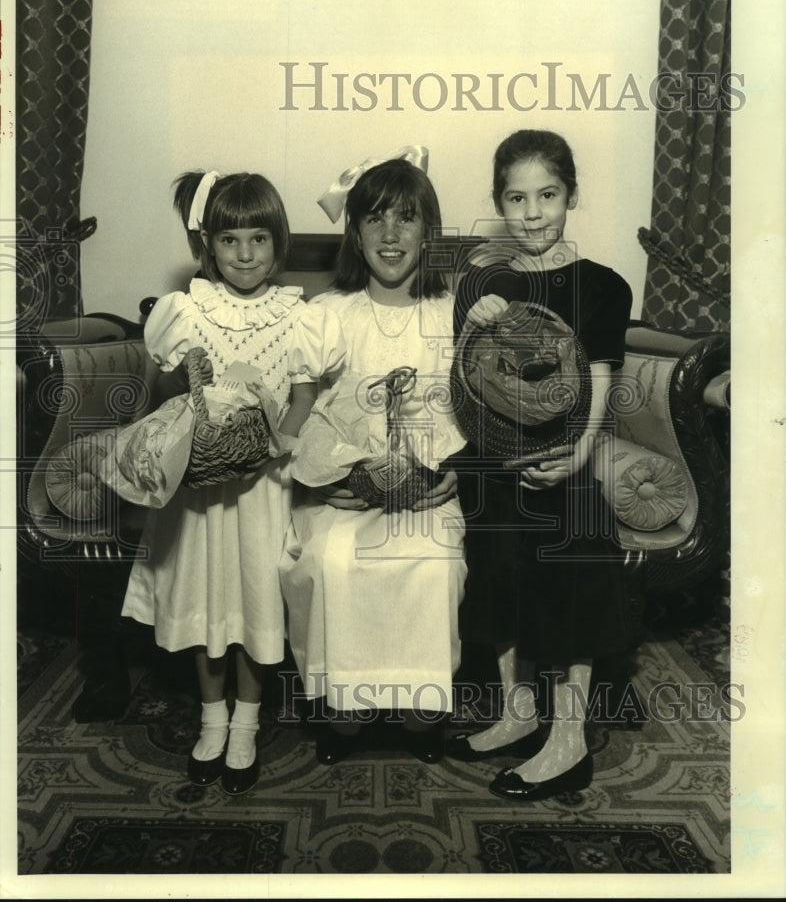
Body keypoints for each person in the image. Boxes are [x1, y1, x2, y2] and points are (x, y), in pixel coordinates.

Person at [121, 170, 344, 794]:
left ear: (278, 245)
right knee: (206, 599)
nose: (245, 255)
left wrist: (278, 444)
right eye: (229, 241)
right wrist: (194, 396)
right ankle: (211, 715)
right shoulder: (188, 310)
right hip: (202, 486)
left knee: (253, 598)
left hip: (264, 485)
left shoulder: (298, 316)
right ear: (208, 247)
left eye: (258, 240)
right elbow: (169, 395)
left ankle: (247, 719)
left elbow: (303, 397)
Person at [448, 130, 634, 801]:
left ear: (571, 196)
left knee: (571, 560)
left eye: (547, 195)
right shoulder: (484, 283)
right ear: (500, 203)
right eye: (516, 197)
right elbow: (468, 382)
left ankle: (569, 736)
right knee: (494, 574)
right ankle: (517, 710)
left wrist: (578, 456)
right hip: (496, 456)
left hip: (566, 459)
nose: (531, 213)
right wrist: (476, 319)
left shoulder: (604, 287)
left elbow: (602, 382)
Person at [278, 153, 467, 766]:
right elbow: (299, 411)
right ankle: (343, 705)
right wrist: (321, 476)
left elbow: (480, 409)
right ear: (355, 233)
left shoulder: (450, 315)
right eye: (375, 219)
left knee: (432, 561)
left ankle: (420, 705)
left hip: (427, 481)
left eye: (406, 219)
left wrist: (456, 472)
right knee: (332, 559)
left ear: (427, 232)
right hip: (344, 483)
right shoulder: (328, 314)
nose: (390, 235)